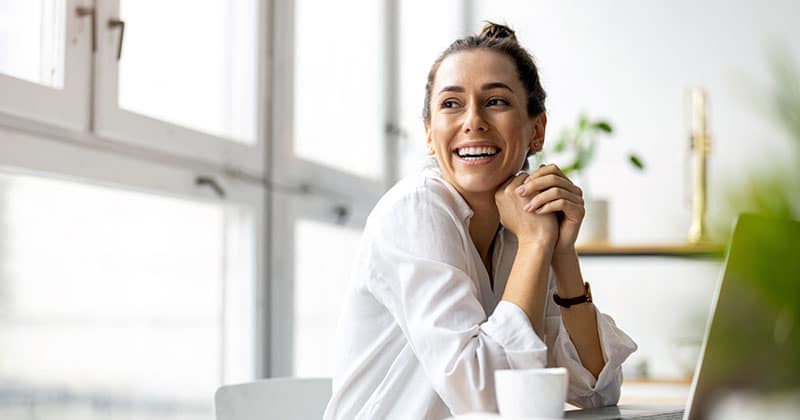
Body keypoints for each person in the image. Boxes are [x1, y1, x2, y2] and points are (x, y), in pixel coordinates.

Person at [323, 22, 637, 420]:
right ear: (428, 133)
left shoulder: (522, 225)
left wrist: (560, 251)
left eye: (496, 102)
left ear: (536, 130)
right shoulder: (417, 210)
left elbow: (597, 391)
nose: (473, 121)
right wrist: (536, 245)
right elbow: (486, 400)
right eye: (451, 104)